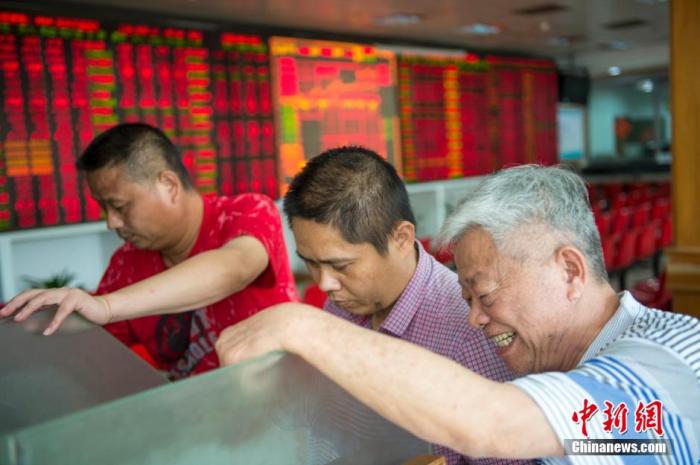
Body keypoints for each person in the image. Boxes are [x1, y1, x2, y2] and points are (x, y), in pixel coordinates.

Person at [216, 165, 700, 463]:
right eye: (467, 298)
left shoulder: (661, 363)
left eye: (484, 294)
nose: (473, 319)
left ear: (570, 271)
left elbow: (495, 425)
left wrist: (303, 326)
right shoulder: (578, 387)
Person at [279, 146, 518, 465]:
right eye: (311, 263)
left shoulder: (468, 332)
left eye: (341, 265)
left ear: (401, 238)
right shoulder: (343, 302)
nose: (324, 284)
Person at [1, 123, 298, 379]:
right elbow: (95, 348)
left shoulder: (245, 212)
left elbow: (234, 267)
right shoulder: (125, 265)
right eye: (104, 208)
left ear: (168, 184)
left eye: (119, 206)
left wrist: (107, 306)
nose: (111, 222)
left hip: (283, 399)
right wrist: (42, 326)